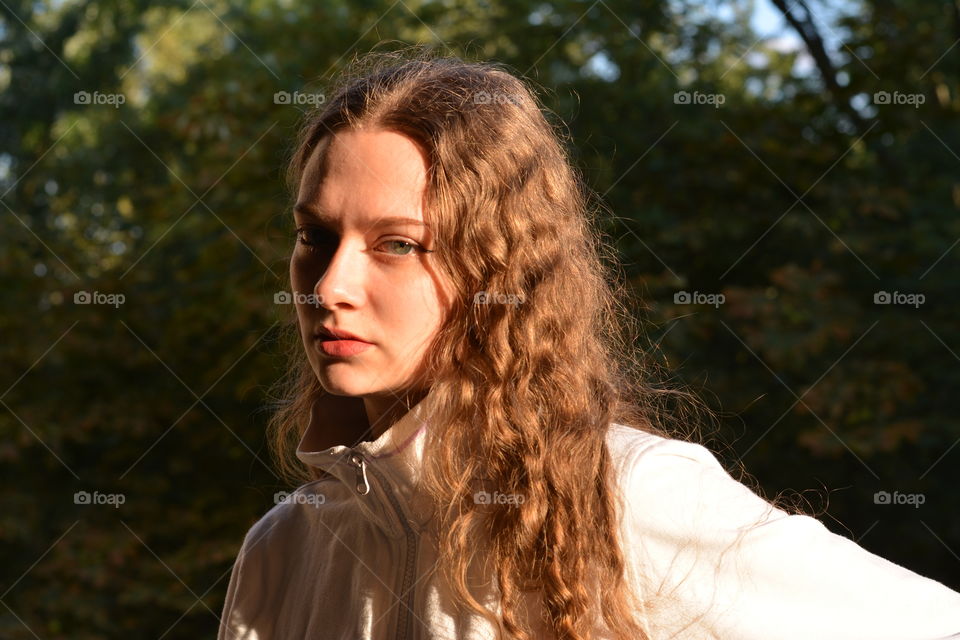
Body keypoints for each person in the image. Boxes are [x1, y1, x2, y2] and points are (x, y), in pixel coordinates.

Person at [217, 49, 960, 640]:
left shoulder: (628, 497)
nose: (330, 286)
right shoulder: (282, 552)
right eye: (315, 236)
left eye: (398, 244)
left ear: (497, 269)